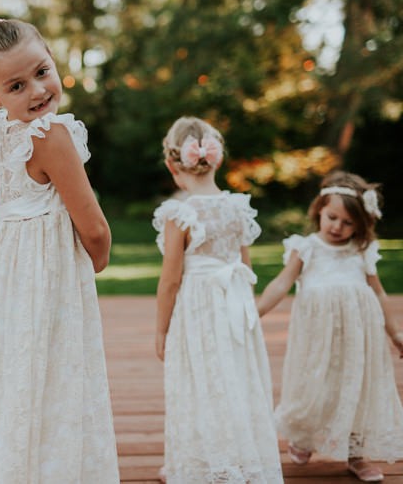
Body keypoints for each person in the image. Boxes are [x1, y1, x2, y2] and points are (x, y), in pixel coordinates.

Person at [0, 16, 120, 483]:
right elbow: (94, 224)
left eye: (43, 72)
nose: (37, 92)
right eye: (17, 85)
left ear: (53, 60)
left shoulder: (2, 135)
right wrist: (99, 258)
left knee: (13, 383)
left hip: (2, 283)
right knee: (56, 380)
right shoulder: (52, 136)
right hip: (46, 283)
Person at [152, 117, 283, 484]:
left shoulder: (179, 214)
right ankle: (239, 457)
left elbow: (170, 280)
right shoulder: (238, 208)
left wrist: (161, 330)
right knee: (236, 380)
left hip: (196, 308)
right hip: (234, 305)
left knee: (198, 382)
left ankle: (199, 464)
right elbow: (245, 266)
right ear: (217, 159)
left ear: (172, 165)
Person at [256, 171, 403, 482]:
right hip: (317, 340)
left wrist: (395, 332)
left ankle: (356, 454)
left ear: (361, 224)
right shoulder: (306, 248)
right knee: (314, 388)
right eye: (332, 217)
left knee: (355, 391)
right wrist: (256, 311)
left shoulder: (361, 251)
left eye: (348, 222)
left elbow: (378, 292)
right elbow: (283, 282)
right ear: (319, 210)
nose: (337, 227)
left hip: (358, 341)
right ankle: (303, 437)